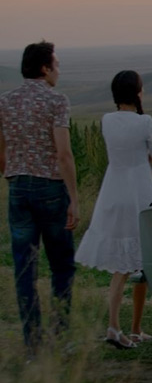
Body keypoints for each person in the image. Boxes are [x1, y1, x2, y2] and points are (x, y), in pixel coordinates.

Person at [75, 70, 152, 349]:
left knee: (122, 266)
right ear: (137, 92)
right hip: (139, 192)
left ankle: (122, 327)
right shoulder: (145, 121)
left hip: (113, 190)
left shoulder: (107, 120)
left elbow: (122, 152)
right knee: (143, 256)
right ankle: (123, 328)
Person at [0, 41, 80, 357]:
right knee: (61, 265)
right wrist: (74, 198)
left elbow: (2, 152)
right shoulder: (56, 101)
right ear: (45, 69)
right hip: (50, 188)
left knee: (24, 269)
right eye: (56, 65)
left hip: (18, 187)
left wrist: (14, 173)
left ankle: (32, 344)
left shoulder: (5, 101)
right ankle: (60, 337)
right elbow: (64, 154)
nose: (58, 71)